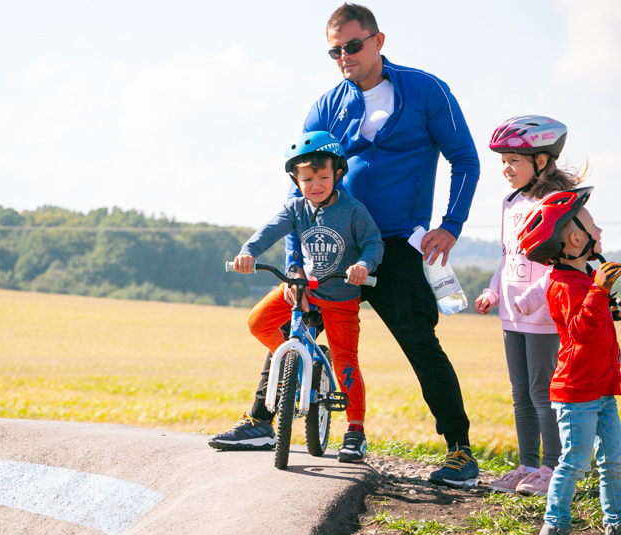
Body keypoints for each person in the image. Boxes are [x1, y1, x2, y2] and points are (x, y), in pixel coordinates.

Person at [210, 3, 481, 487]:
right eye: (334, 51)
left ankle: (460, 452)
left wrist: (452, 225)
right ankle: (260, 421)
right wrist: (295, 268)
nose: (344, 57)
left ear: (379, 41)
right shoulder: (327, 104)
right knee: (295, 329)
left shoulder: (425, 89)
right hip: (331, 245)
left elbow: (465, 158)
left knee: (420, 343)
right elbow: (300, 195)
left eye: (352, 46)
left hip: (398, 244)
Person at [208, 131, 383, 463]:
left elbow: (375, 242)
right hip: (302, 290)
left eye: (323, 177)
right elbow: (269, 231)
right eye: (307, 178)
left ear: (338, 174)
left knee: (346, 361)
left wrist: (364, 264)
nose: (315, 184)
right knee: (257, 322)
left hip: (341, 296)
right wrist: (248, 252)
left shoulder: (352, 211)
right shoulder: (295, 208)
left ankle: (355, 431)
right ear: (296, 179)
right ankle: (295, 364)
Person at [476, 116, 586, 496]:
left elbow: (561, 265)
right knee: (519, 392)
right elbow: (509, 258)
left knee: (542, 392)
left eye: (514, 160)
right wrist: (494, 292)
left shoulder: (556, 204)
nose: (506, 168)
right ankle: (526, 463)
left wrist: (529, 298)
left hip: (542, 316)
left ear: (541, 161)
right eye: (503, 161)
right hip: (512, 317)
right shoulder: (510, 204)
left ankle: (552, 467)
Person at [516, 187, 621, 535]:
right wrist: (599, 293)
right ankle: (553, 531)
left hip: (602, 388)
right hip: (576, 392)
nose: (599, 229)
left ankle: (616, 531)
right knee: (575, 463)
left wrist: (607, 302)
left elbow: (597, 325)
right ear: (575, 237)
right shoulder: (563, 283)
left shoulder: (586, 279)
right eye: (592, 223)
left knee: (614, 462)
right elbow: (579, 330)